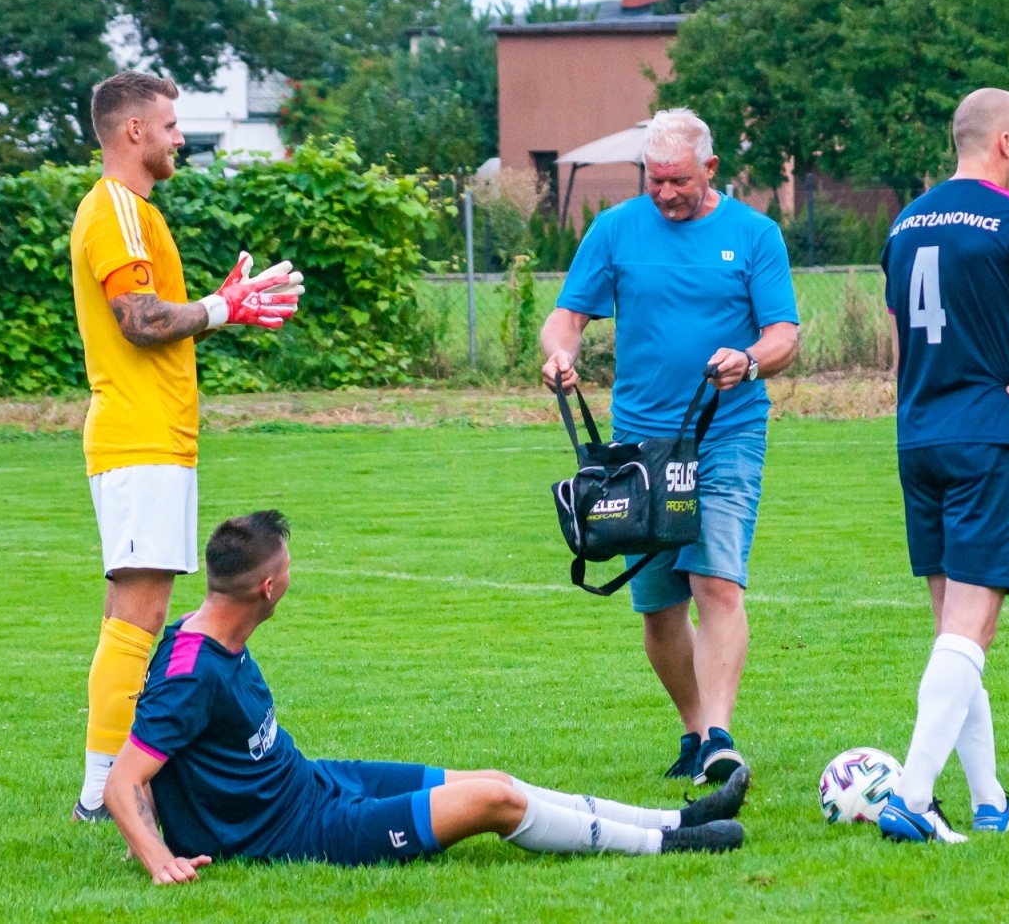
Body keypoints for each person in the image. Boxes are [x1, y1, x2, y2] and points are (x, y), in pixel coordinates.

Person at [104, 511, 748, 883]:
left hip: (314, 784)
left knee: (493, 778)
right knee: (494, 801)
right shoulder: (193, 672)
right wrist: (161, 860)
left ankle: (675, 820)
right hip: (301, 832)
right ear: (268, 589)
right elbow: (123, 781)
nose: (293, 577)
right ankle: (669, 847)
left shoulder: (205, 623)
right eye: (290, 570)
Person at [539, 108, 800, 785]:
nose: (664, 193)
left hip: (725, 433)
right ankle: (693, 731)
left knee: (715, 580)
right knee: (658, 605)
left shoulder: (754, 235)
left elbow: (784, 336)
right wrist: (559, 355)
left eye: (677, 180)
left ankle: (720, 735)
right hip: (637, 445)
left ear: (710, 169)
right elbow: (566, 316)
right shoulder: (615, 230)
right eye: (653, 180)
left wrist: (747, 358)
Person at [70, 71, 305, 820]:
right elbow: (139, 319)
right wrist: (219, 305)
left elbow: (155, 316)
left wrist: (221, 312)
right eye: (170, 125)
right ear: (133, 131)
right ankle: (106, 791)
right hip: (139, 438)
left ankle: (108, 782)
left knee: (129, 615)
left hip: (149, 438)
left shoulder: (132, 214)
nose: (179, 138)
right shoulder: (118, 212)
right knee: (138, 618)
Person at [874, 88, 1009, 842]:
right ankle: (912, 795)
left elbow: (896, 332)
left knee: (952, 632)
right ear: (999, 143)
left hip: (917, 431)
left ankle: (990, 803)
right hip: (988, 431)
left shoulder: (905, 222)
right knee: (973, 626)